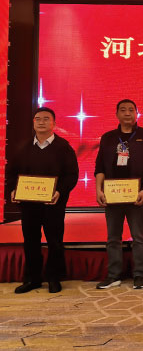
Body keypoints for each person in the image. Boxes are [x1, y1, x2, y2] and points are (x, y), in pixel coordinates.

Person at [7, 107, 79, 294]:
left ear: (54, 123)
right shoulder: (23, 147)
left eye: (46, 119)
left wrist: (60, 192)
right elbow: (11, 173)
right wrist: (13, 189)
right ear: (33, 123)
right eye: (37, 119)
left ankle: (54, 278)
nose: (41, 122)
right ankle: (33, 279)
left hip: (53, 204)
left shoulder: (63, 147)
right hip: (28, 204)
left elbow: (72, 175)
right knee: (30, 241)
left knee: (54, 241)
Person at [94, 99, 143, 290]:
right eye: (123, 110)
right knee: (113, 237)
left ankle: (139, 275)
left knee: (138, 237)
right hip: (112, 194)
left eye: (131, 110)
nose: (127, 113)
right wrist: (98, 189)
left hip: (136, 194)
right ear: (117, 114)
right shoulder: (108, 137)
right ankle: (114, 275)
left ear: (137, 113)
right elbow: (99, 165)